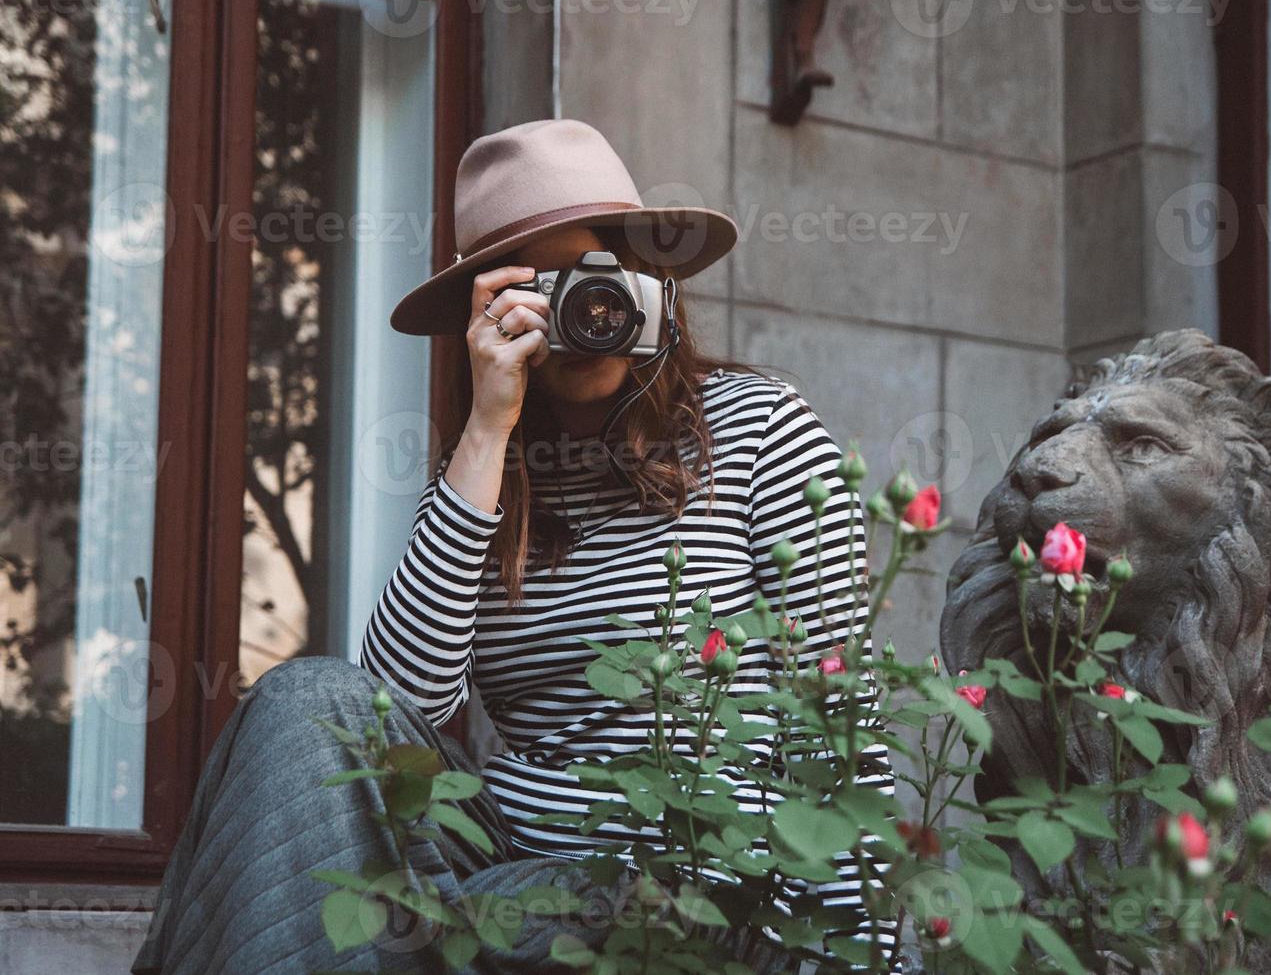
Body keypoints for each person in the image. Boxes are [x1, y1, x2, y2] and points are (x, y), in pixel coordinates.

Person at [133, 119, 893, 974]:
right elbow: (397, 709)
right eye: (540, 289)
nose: (585, 309)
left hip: (699, 869)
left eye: (599, 278)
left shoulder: (758, 427)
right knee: (307, 699)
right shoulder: (480, 478)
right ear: (486, 314)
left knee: (462, 916)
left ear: (652, 283)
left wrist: (867, 956)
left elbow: (837, 710)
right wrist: (488, 428)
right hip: (516, 875)